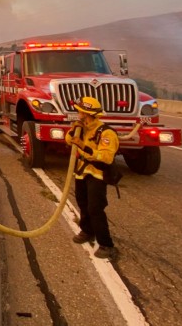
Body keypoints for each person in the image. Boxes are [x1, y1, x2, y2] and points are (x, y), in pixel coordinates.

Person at [65, 96, 120, 259]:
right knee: (82, 203)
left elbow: (106, 157)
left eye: (81, 113)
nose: (79, 115)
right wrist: (73, 130)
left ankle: (106, 245)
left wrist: (84, 147)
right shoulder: (82, 128)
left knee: (95, 208)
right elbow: (69, 140)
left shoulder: (106, 133)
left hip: (97, 174)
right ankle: (87, 231)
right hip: (82, 172)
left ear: (89, 115)